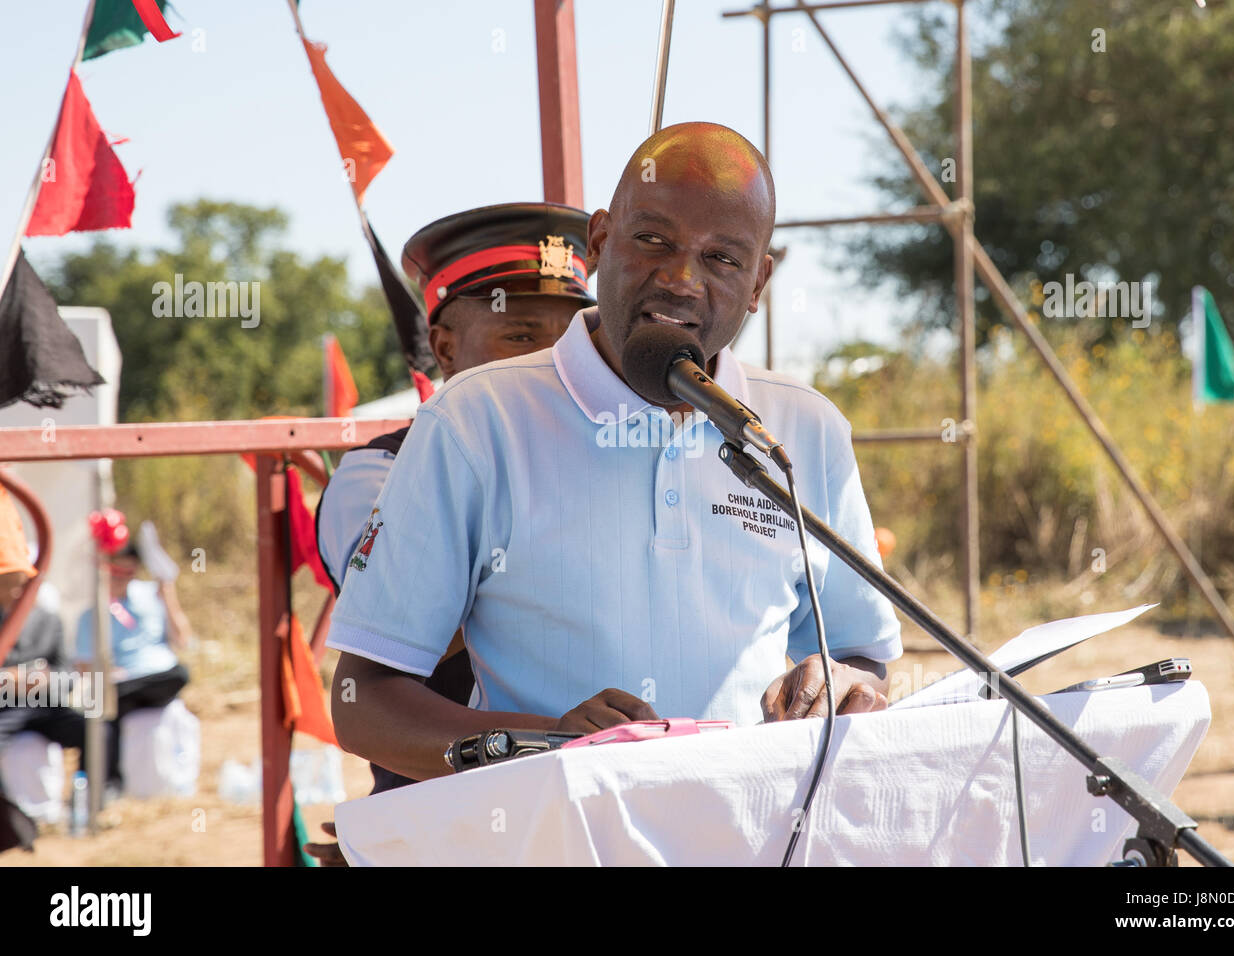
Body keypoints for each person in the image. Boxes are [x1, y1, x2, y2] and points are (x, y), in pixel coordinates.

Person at [326, 122, 902, 785]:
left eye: (722, 259)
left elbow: (862, 652)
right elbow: (361, 703)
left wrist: (839, 682)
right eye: (653, 241)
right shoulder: (475, 421)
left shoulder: (805, 429)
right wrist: (548, 744)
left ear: (759, 281)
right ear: (600, 242)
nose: (683, 280)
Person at [305, 203, 596, 865]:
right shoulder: (378, 473)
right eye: (520, 338)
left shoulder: (617, 458)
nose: (550, 366)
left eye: (569, 342)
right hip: (453, 824)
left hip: (593, 813)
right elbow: (418, 628)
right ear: (445, 349)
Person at [0, 488, 88, 853]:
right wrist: (9, 681)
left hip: (41, 705)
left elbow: (67, 674)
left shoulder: (48, 620)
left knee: (90, 727)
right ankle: (13, 822)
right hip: (4, 708)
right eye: (9, 584)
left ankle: (94, 800)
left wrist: (44, 680)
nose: (16, 592)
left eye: (22, 584)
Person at [75, 521, 192, 790]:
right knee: (104, 716)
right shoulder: (91, 615)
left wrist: (169, 593)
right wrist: (105, 674)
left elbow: (183, 639)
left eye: (129, 571)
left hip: (159, 678)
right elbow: (83, 665)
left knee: (179, 674)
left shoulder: (151, 595)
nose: (123, 578)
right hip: (120, 682)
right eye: (117, 571)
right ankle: (108, 784)